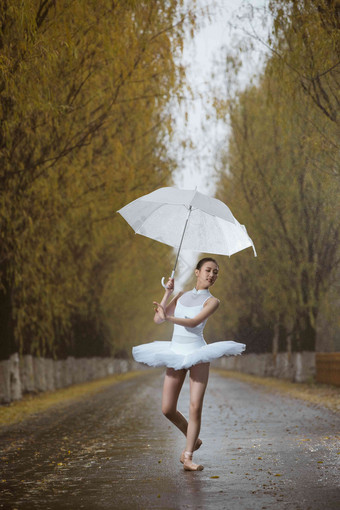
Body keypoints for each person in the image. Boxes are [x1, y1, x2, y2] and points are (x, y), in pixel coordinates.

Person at [132, 257, 245, 471]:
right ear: (197, 272)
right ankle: (194, 439)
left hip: (198, 354)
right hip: (176, 352)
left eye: (215, 272)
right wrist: (167, 292)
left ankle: (188, 456)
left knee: (195, 407)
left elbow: (193, 324)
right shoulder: (181, 295)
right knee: (167, 409)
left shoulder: (212, 301)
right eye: (208, 270)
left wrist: (169, 319)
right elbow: (158, 319)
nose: (211, 275)